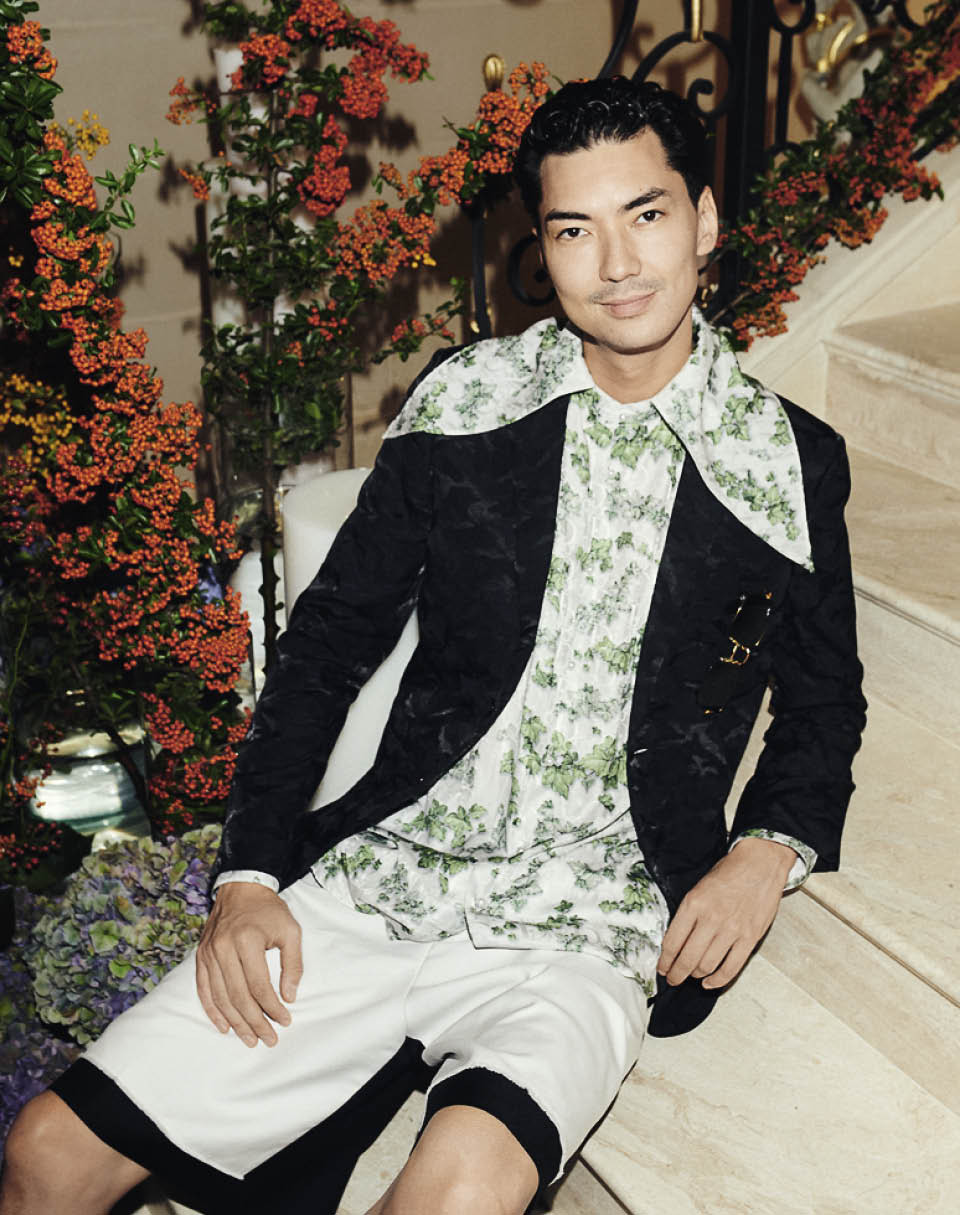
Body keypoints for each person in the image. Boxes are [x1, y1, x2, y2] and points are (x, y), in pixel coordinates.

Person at [1, 77, 866, 1215]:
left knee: (452, 1198)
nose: (616, 264)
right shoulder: (468, 402)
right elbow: (326, 646)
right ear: (540, 248)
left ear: (704, 221)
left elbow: (824, 702)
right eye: (574, 229)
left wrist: (765, 850)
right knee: (47, 1153)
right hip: (390, 873)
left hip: (587, 917)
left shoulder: (785, 458)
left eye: (647, 214)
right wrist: (248, 875)